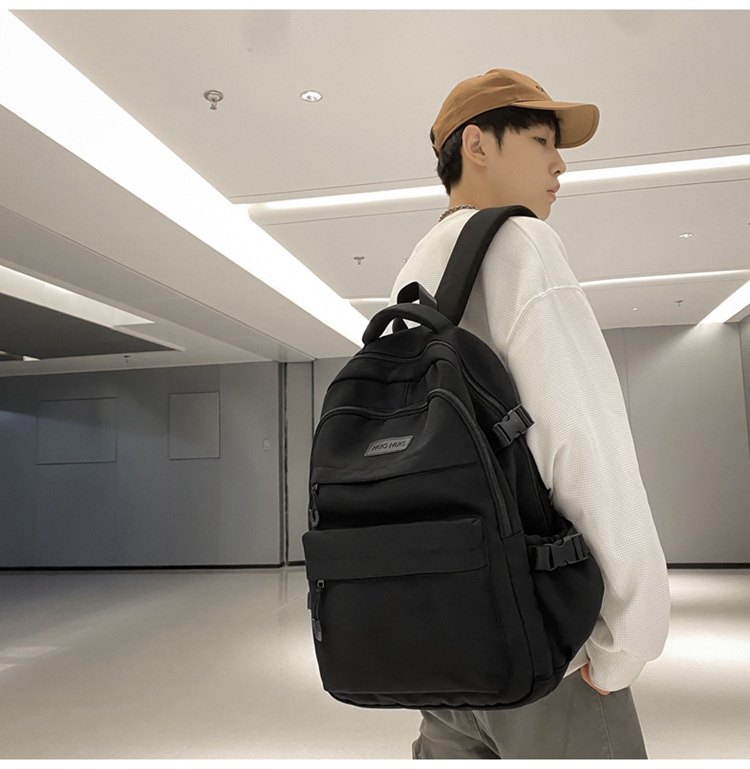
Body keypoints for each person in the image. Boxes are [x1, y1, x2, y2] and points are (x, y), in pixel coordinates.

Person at [389, 68, 671, 760]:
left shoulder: (413, 271)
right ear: (477, 145)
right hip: (540, 640)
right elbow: (583, 446)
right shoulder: (522, 245)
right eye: (542, 140)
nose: (560, 163)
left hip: (437, 636)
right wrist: (629, 636)